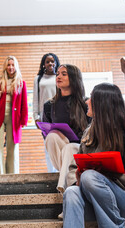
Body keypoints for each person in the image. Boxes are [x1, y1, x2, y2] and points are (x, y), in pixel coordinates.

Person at [61, 83, 125, 228]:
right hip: (94, 200)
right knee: (71, 192)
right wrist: (78, 178)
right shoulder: (89, 134)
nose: (87, 101)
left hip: (123, 201)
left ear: (102, 105)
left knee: (90, 177)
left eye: (91, 98)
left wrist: (106, 176)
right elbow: (73, 168)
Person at [42, 64, 90, 193]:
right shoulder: (49, 105)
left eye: (64, 74)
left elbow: (92, 133)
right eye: (58, 74)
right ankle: (69, 192)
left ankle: (65, 193)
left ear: (74, 78)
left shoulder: (86, 103)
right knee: (51, 136)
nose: (58, 76)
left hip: (80, 149)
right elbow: (46, 133)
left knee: (70, 147)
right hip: (61, 152)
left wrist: (72, 138)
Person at [0, 56, 28, 174]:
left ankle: (12, 174)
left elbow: (24, 103)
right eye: (8, 65)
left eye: (13, 65)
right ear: (5, 66)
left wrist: (24, 120)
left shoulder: (21, 83)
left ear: (16, 67)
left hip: (14, 117)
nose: (11, 67)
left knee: (12, 146)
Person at [33, 53, 61, 173]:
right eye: (47, 62)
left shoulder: (59, 77)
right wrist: (36, 116)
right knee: (48, 144)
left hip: (60, 114)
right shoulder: (38, 79)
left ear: (56, 63)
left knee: (60, 143)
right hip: (45, 116)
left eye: (52, 61)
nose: (50, 64)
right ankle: (51, 172)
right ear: (43, 64)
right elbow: (35, 99)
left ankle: (61, 171)